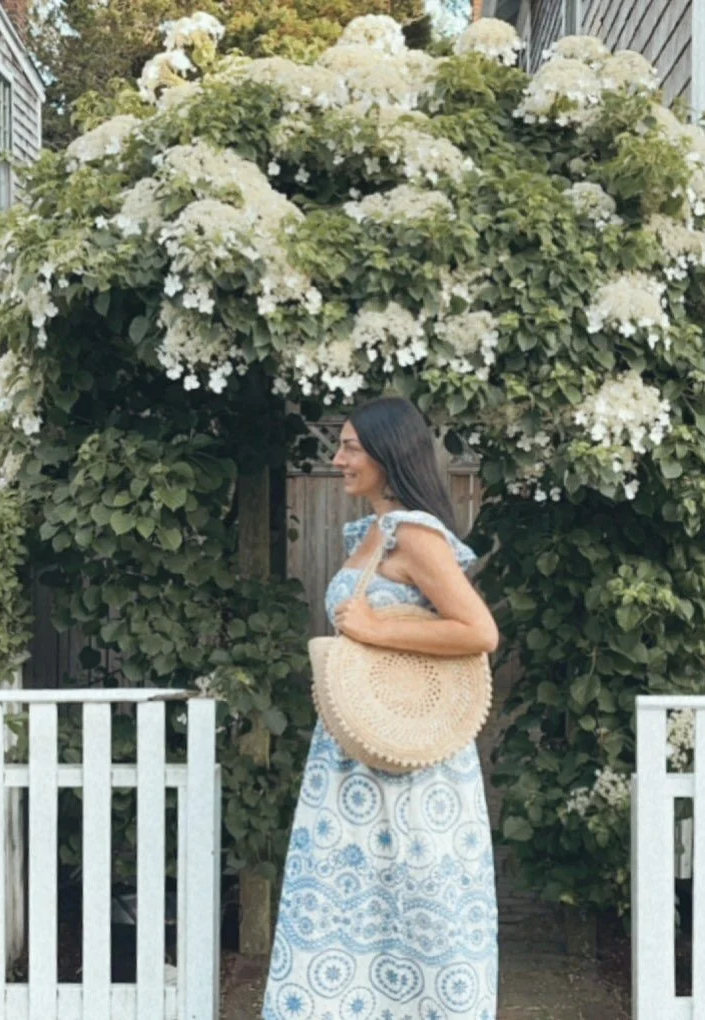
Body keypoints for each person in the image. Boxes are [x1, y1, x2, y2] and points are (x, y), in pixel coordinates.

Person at [262, 396, 500, 1020]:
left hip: (410, 764)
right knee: (355, 914)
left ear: (388, 455)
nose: (337, 458)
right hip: (354, 758)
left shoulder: (415, 534)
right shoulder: (375, 530)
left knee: (417, 917)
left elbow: (479, 632)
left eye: (349, 447)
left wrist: (374, 629)